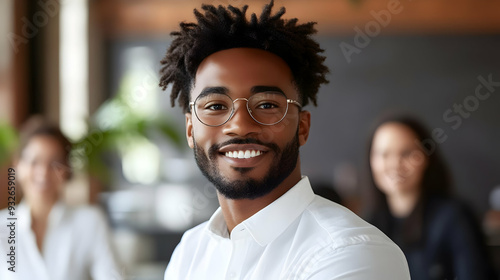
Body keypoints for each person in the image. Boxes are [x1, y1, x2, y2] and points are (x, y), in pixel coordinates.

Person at [159, 1, 409, 279]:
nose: (240, 125)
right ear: (191, 130)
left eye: (266, 105)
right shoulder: (190, 252)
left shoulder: (351, 254)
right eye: (216, 106)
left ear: (302, 127)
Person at [366, 115, 496, 279]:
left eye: (406, 153)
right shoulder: (367, 226)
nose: (395, 163)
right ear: (370, 160)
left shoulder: (455, 218)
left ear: (426, 157)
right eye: (384, 154)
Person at [0, 117, 123, 280]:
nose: (43, 172)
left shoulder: (89, 222)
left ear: (66, 170)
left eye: (55, 163)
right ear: (18, 166)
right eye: (34, 161)